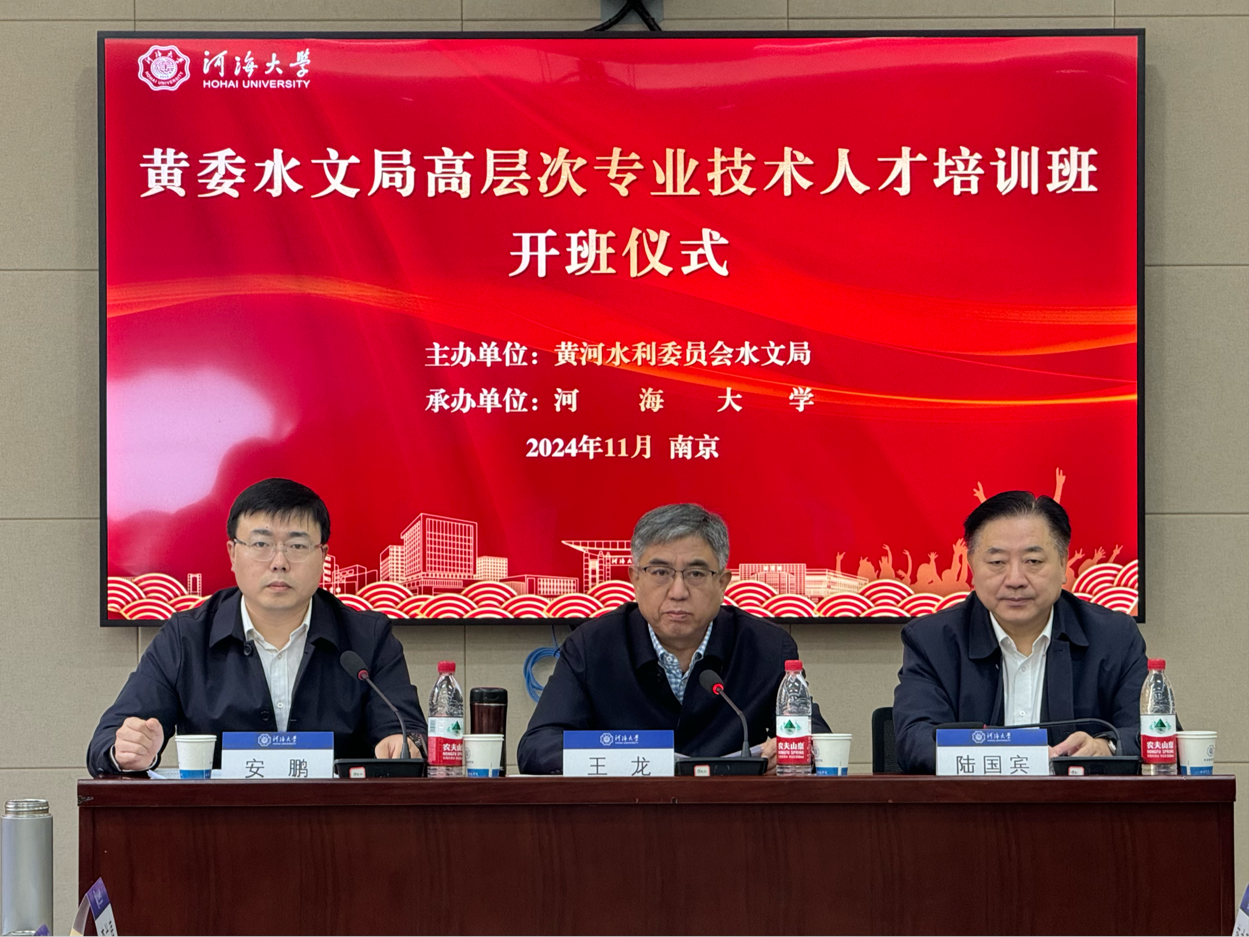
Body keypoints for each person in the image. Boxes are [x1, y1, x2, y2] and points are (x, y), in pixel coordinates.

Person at [88, 478, 425, 776]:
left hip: (337, 822)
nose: (279, 562)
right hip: (218, 822)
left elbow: (407, 730)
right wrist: (127, 750)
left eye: (297, 546)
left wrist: (403, 744)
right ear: (233, 553)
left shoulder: (368, 638)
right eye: (261, 544)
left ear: (322, 555)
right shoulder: (186, 637)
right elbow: (106, 742)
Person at [517, 503, 829, 774]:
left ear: (722, 583)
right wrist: (627, 760)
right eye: (660, 572)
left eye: (696, 574)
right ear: (635, 579)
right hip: (626, 815)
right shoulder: (591, 646)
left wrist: (791, 750)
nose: (678, 592)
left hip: (732, 815)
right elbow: (537, 747)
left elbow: (817, 739)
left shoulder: (767, 648)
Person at [892, 491, 1147, 774]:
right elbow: (915, 740)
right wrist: (1002, 755)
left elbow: (1153, 734)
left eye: (1033, 561)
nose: (1015, 580)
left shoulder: (1113, 637)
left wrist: (1106, 747)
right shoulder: (932, 641)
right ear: (972, 566)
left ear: (1063, 563)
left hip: (1081, 802)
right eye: (997, 562)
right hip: (971, 802)